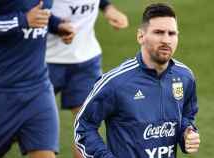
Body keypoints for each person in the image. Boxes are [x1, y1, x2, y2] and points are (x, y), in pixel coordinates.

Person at [74, 3, 200, 158]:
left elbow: (187, 115)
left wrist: (187, 133)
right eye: (159, 32)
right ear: (141, 36)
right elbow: (83, 126)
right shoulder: (116, 83)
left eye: (172, 33)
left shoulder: (185, 77)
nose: (166, 40)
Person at [0, 0, 74, 157]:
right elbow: (25, 16)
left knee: (45, 153)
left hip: (38, 88)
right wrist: (22, 20)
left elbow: (40, 14)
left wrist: (57, 26)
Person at [45, 0, 128, 157]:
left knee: (86, 125)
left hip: (86, 60)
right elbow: (29, 10)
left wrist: (108, 8)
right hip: (44, 61)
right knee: (23, 126)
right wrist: (57, 27)